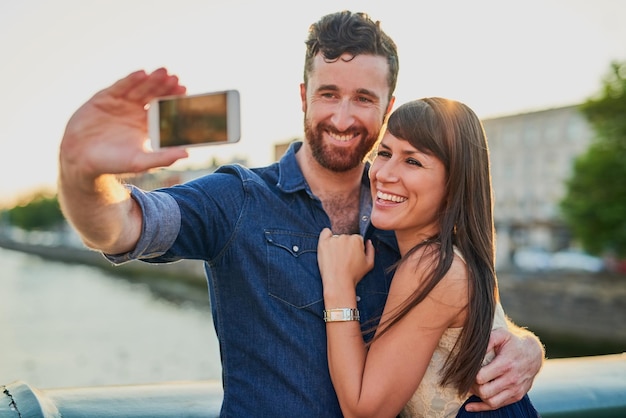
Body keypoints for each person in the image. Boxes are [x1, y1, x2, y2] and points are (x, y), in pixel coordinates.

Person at [57, 10, 544, 416]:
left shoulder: (408, 213)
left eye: (364, 99)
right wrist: (84, 176)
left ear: (388, 107)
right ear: (303, 98)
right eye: (328, 93)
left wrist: (524, 345)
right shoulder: (239, 198)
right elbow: (122, 227)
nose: (342, 117)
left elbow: (465, 305)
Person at [317, 97, 541, 417]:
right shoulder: (460, 256)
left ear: (453, 184)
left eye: (413, 162)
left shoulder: (431, 265)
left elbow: (364, 410)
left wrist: (338, 283)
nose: (384, 173)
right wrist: (531, 345)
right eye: (384, 153)